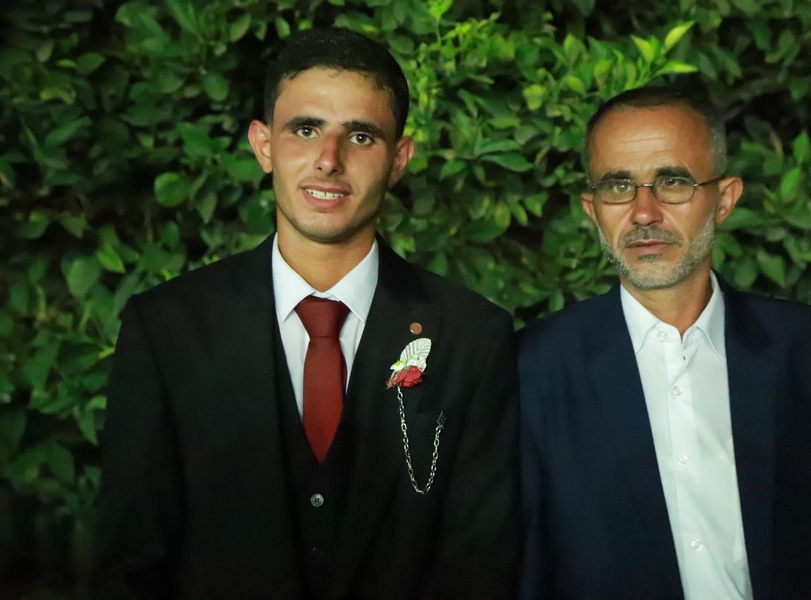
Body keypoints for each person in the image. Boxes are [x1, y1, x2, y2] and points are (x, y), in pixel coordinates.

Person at [93, 27, 518, 600]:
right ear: (264, 145)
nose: (329, 160)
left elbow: (480, 568)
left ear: (399, 159)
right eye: (306, 129)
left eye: (361, 136)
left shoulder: (473, 337)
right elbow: (130, 566)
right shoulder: (166, 329)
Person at [518, 85, 811, 599]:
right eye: (619, 186)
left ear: (724, 199)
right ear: (592, 209)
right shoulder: (529, 371)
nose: (644, 212)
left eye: (672, 182)